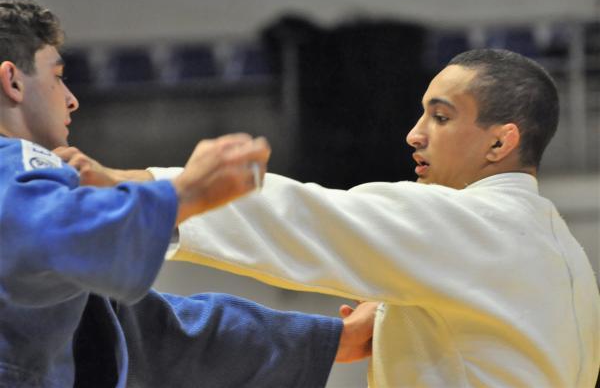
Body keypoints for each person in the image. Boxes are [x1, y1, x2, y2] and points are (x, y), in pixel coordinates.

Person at [88, 48, 600, 387]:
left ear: (500, 141)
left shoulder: (475, 225)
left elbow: (302, 218)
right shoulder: (568, 258)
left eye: (441, 117)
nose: (415, 134)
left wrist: (148, 191)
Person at [0, 0, 376, 388]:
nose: (71, 98)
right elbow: (52, 234)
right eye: (57, 76)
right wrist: (184, 192)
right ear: (12, 81)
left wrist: (330, 341)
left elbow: (159, 337)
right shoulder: (13, 166)